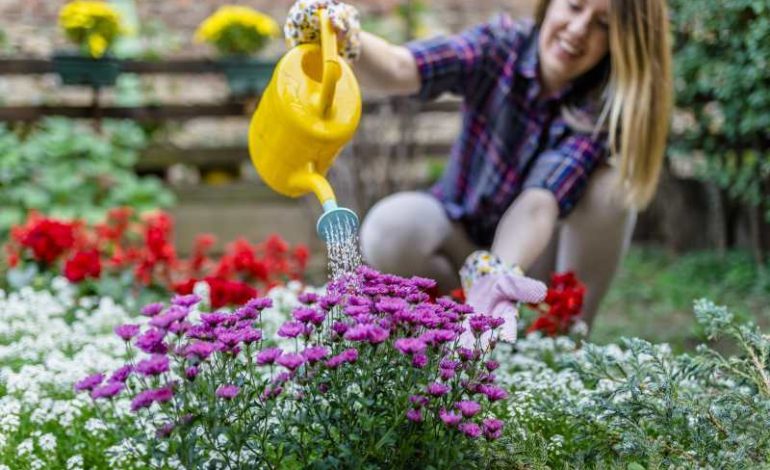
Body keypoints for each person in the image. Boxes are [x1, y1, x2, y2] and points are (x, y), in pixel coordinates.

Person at [284, 0, 673, 341]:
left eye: (603, 24)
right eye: (573, 5)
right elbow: (401, 68)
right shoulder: (498, 46)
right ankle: (448, 331)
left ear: (622, 42)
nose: (578, 29)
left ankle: (562, 338)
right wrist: (338, 30)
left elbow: (540, 201)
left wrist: (497, 274)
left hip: (531, 266)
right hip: (458, 237)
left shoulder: (603, 107)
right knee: (391, 225)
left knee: (612, 190)